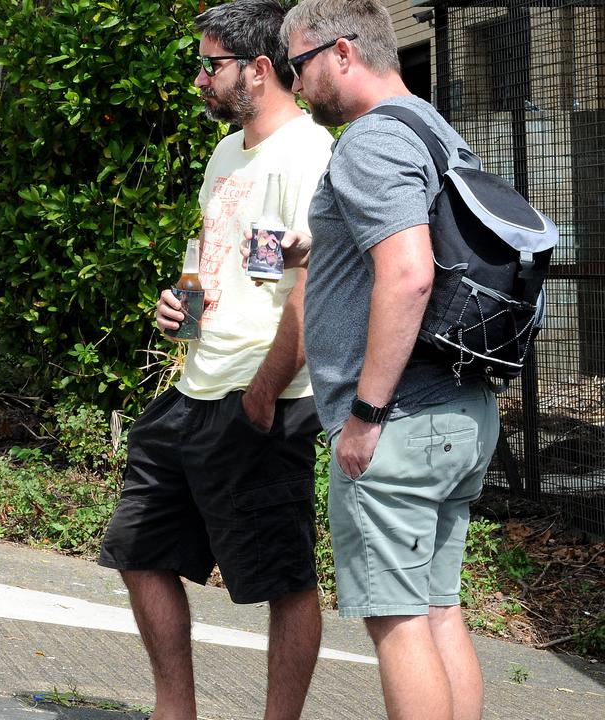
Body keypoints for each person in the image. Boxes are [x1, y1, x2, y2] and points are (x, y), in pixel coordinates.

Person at [96, 1, 333, 718]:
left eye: (211, 64)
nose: (198, 78)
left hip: (267, 395)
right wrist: (180, 303)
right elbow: (218, 258)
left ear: (259, 71)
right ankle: (178, 711)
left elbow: (311, 289)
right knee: (138, 548)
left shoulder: (310, 154)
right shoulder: (227, 152)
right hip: (196, 384)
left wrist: (265, 392)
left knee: (282, 579)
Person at [280, 2, 501, 719]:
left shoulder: (370, 141)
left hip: (399, 420)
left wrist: (366, 415)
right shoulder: (433, 129)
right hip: (460, 409)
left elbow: (408, 273)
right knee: (439, 611)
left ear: (341, 52)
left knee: (399, 623)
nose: (296, 82)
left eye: (298, 64)